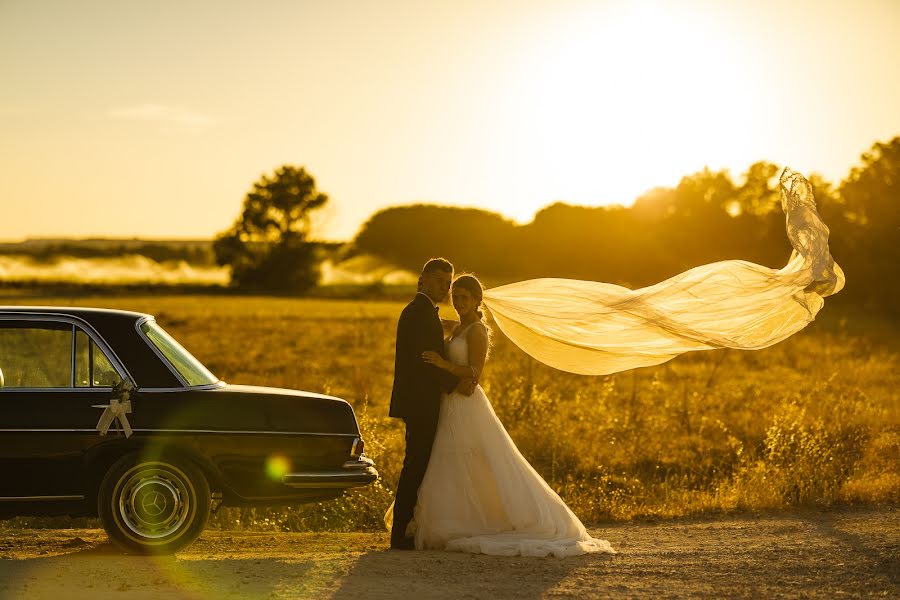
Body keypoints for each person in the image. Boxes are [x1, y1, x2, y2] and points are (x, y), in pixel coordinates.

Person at [413, 274, 615, 557]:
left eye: (464, 298)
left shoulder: (477, 332)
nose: (458, 302)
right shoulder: (459, 328)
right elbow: (429, 324)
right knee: (450, 458)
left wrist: (443, 364)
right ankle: (456, 518)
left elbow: (474, 372)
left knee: (484, 457)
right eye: (455, 297)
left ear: (477, 301)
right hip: (450, 401)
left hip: (467, 403)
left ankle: (509, 518)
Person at [388, 258, 475, 550]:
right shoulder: (420, 313)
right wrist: (457, 385)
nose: (445, 287)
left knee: (421, 463)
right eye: (439, 280)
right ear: (422, 280)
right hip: (420, 401)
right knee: (415, 464)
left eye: (448, 283)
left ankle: (409, 527)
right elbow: (425, 364)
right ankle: (400, 533)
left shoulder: (424, 312)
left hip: (421, 400)